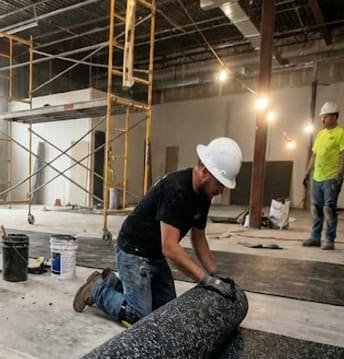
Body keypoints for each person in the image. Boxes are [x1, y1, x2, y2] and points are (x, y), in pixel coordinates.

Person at [72, 137, 242, 325]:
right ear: (204, 172)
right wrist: (205, 280)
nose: (220, 191)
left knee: (166, 312)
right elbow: (170, 248)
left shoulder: (204, 194)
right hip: (134, 252)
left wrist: (215, 273)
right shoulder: (176, 189)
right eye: (219, 184)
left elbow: (199, 237)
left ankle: (111, 282)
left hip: (154, 255)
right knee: (139, 316)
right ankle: (96, 290)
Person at [302, 101, 344, 251]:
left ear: (334, 116)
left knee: (329, 209)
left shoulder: (340, 133)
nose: (322, 120)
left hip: (331, 177)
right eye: (322, 117)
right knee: (316, 208)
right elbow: (314, 155)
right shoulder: (320, 134)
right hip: (317, 177)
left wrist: (340, 173)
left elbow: (343, 153)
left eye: (325, 117)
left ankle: (329, 239)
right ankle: (315, 238)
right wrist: (307, 173)